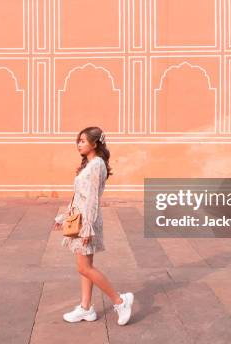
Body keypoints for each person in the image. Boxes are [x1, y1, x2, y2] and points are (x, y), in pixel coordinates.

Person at [52, 126, 134, 326]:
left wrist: (87, 227)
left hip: (87, 221)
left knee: (84, 267)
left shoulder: (97, 164)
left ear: (95, 143)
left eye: (83, 141)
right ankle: (86, 308)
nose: (79, 144)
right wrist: (64, 217)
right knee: (85, 267)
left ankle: (120, 301)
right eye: (78, 141)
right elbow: (80, 196)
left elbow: (92, 200)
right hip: (81, 219)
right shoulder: (89, 165)